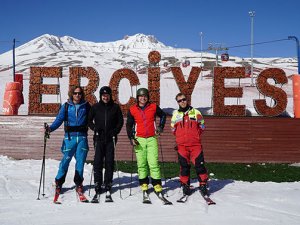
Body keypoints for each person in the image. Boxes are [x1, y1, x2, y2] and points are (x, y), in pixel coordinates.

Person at [45, 86, 91, 203]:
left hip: (82, 138)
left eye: (80, 93)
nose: (77, 95)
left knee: (80, 163)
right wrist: (50, 129)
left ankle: (79, 183)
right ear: (71, 94)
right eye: (75, 93)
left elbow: (93, 120)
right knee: (65, 161)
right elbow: (59, 120)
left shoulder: (86, 106)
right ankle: (59, 182)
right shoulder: (66, 107)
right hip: (69, 138)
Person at [126, 88, 167, 201]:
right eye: (140, 96)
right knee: (142, 164)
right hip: (139, 140)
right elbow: (129, 125)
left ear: (147, 97)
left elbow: (163, 115)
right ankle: (144, 185)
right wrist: (131, 138)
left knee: (153, 163)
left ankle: (157, 185)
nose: (143, 98)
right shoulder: (133, 109)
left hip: (151, 138)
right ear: (137, 97)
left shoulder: (153, 107)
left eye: (145, 96)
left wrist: (160, 127)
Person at [88, 86, 124, 203]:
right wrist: (94, 128)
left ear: (110, 95)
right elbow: (89, 121)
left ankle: (108, 183)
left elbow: (120, 121)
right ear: (100, 96)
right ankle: (98, 184)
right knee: (98, 161)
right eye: (103, 95)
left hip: (110, 138)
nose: (105, 97)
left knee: (109, 161)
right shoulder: (95, 107)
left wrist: (115, 131)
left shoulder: (115, 107)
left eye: (107, 95)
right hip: (98, 138)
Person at [170, 93, 209, 197]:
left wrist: (195, 136)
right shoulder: (175, 114)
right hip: (182, 146)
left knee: (200, 166)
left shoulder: (196, 112)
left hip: (195, 145)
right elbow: (173, 129)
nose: (182, 102)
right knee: (184, 167)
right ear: (177, 102)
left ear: (187, 100)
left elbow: (202, 126)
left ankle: (203, 185)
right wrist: (180, 138)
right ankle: (185, 185)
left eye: (183, 99)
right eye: (179, 100)